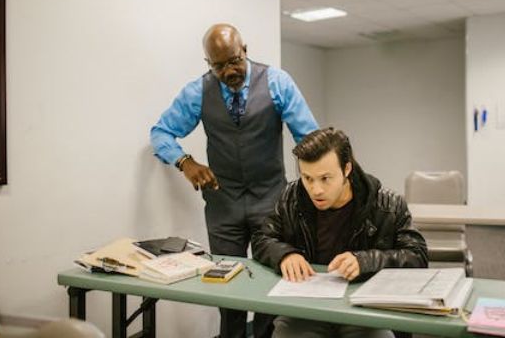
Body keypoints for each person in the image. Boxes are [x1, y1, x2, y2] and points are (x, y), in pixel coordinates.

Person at [150, 23, 318, 338]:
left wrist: (312, 187)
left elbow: (309, 139)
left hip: (271, 201)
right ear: (208, 64)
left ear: (245, 50)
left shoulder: (277, 82)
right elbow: (160, 133)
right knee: (227, 286)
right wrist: (185, 162)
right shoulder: (197, 92)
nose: (229, 71)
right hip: (223, 205)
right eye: (219, 66)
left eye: (234, 61)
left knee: (271, 279)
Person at [251, 127, 428, 338]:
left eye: (325, 178)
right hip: (306, 309)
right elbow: (262, 237)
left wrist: (366, 261)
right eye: (307, 178)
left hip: (364, 310)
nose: (316, 190)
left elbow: (417, 255)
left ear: (347, 169)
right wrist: (284, 255)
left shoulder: (388, 204)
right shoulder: (291, 197)